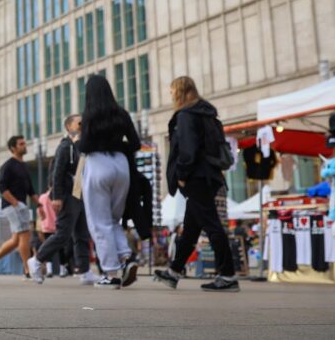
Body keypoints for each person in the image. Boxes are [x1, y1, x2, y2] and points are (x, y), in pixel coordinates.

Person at [47, 75, 140, 289]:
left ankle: (111, 273)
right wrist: (117, 147)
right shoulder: (121, 113)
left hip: (98, 165)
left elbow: (85, 147)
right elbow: (134, 143)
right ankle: (127, 257)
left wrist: (79, 140)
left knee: (100, 223)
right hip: (121, 166)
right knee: (114, 219)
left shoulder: (89, 117)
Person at [154, 76, 240, 292]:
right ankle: (174, 271)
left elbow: (188, 149)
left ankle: (228, 275)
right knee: (192, 228)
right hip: (209, 175)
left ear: (179, 93)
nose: (172, 96)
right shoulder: (207, 114)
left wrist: (182, 173)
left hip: (195, 176)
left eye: (173, 92)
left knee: (212, 225)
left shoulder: (186, 115)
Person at [28, 114, 97, 285]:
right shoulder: (65, 146)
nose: (83, 125)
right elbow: (57, 172)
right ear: (69, 127)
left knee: (82, 234)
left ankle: (85, 271)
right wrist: (57, 196)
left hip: (80, 194)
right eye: (79, 123)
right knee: (63, 234)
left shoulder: (80, 146)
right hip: (68, 195)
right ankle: (37, 260)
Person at [0, 136, 37, 279]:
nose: (25, 145)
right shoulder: (9, 165)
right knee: (25, 234)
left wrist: (41, 204)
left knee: (16, 241)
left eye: (24, 143)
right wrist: (15, 203)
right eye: (21, 144)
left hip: (21, 206)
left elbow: (30, 189)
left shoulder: (24, 166)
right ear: (13, 148)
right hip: (11, 206)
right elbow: (1, 186)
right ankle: (27, 270)